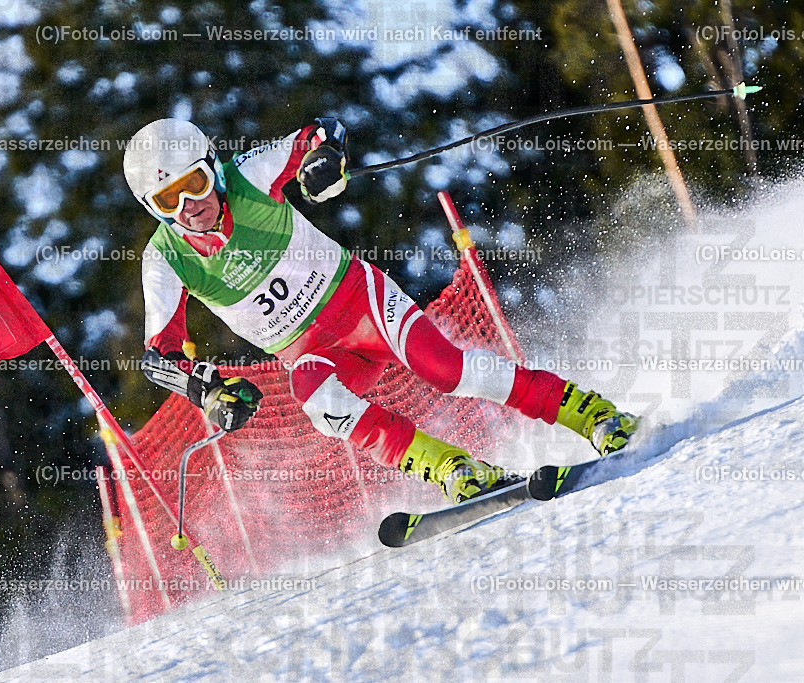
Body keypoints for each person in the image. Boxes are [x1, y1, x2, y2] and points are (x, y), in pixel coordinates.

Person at [125, 117, 637, 504]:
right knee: (318, 403)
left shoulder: (248, 176)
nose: (187, 206)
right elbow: (158, 356)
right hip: (312, 351)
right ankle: (454, 469)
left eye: (192, 184)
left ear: (210, 168)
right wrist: (208, 389)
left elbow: (321, 132)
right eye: (167, 201)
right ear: (154, 209)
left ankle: (591, 413)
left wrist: (322, 161)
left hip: (361, 305)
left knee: (448, 372)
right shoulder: (165, 258)